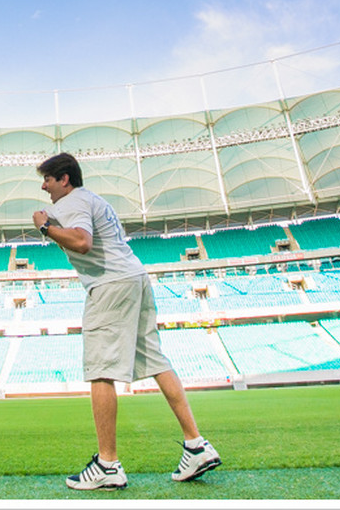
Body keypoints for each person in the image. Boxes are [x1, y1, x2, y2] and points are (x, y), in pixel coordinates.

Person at [31, 152, 220, 491]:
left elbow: (83, 242)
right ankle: (196, 444)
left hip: (110, 285)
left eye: (47, 178)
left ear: (64, 179)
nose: (44, 186)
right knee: (156, 360)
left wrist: (46, 226)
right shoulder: (91, 198)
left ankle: (107, 464)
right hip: (134, 278)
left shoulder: (72, 201)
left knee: (101, 370)